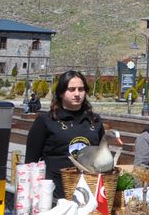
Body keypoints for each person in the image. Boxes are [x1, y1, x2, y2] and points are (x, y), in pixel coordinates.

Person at [25, 70, 106, 200]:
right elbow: (30, 162)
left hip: (87, 191)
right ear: (61, 92)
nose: (77, 94)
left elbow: (102, 156)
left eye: (81, 89)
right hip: (54, 194)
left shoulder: (95, 121)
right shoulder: (46, 121)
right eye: (72, 89)